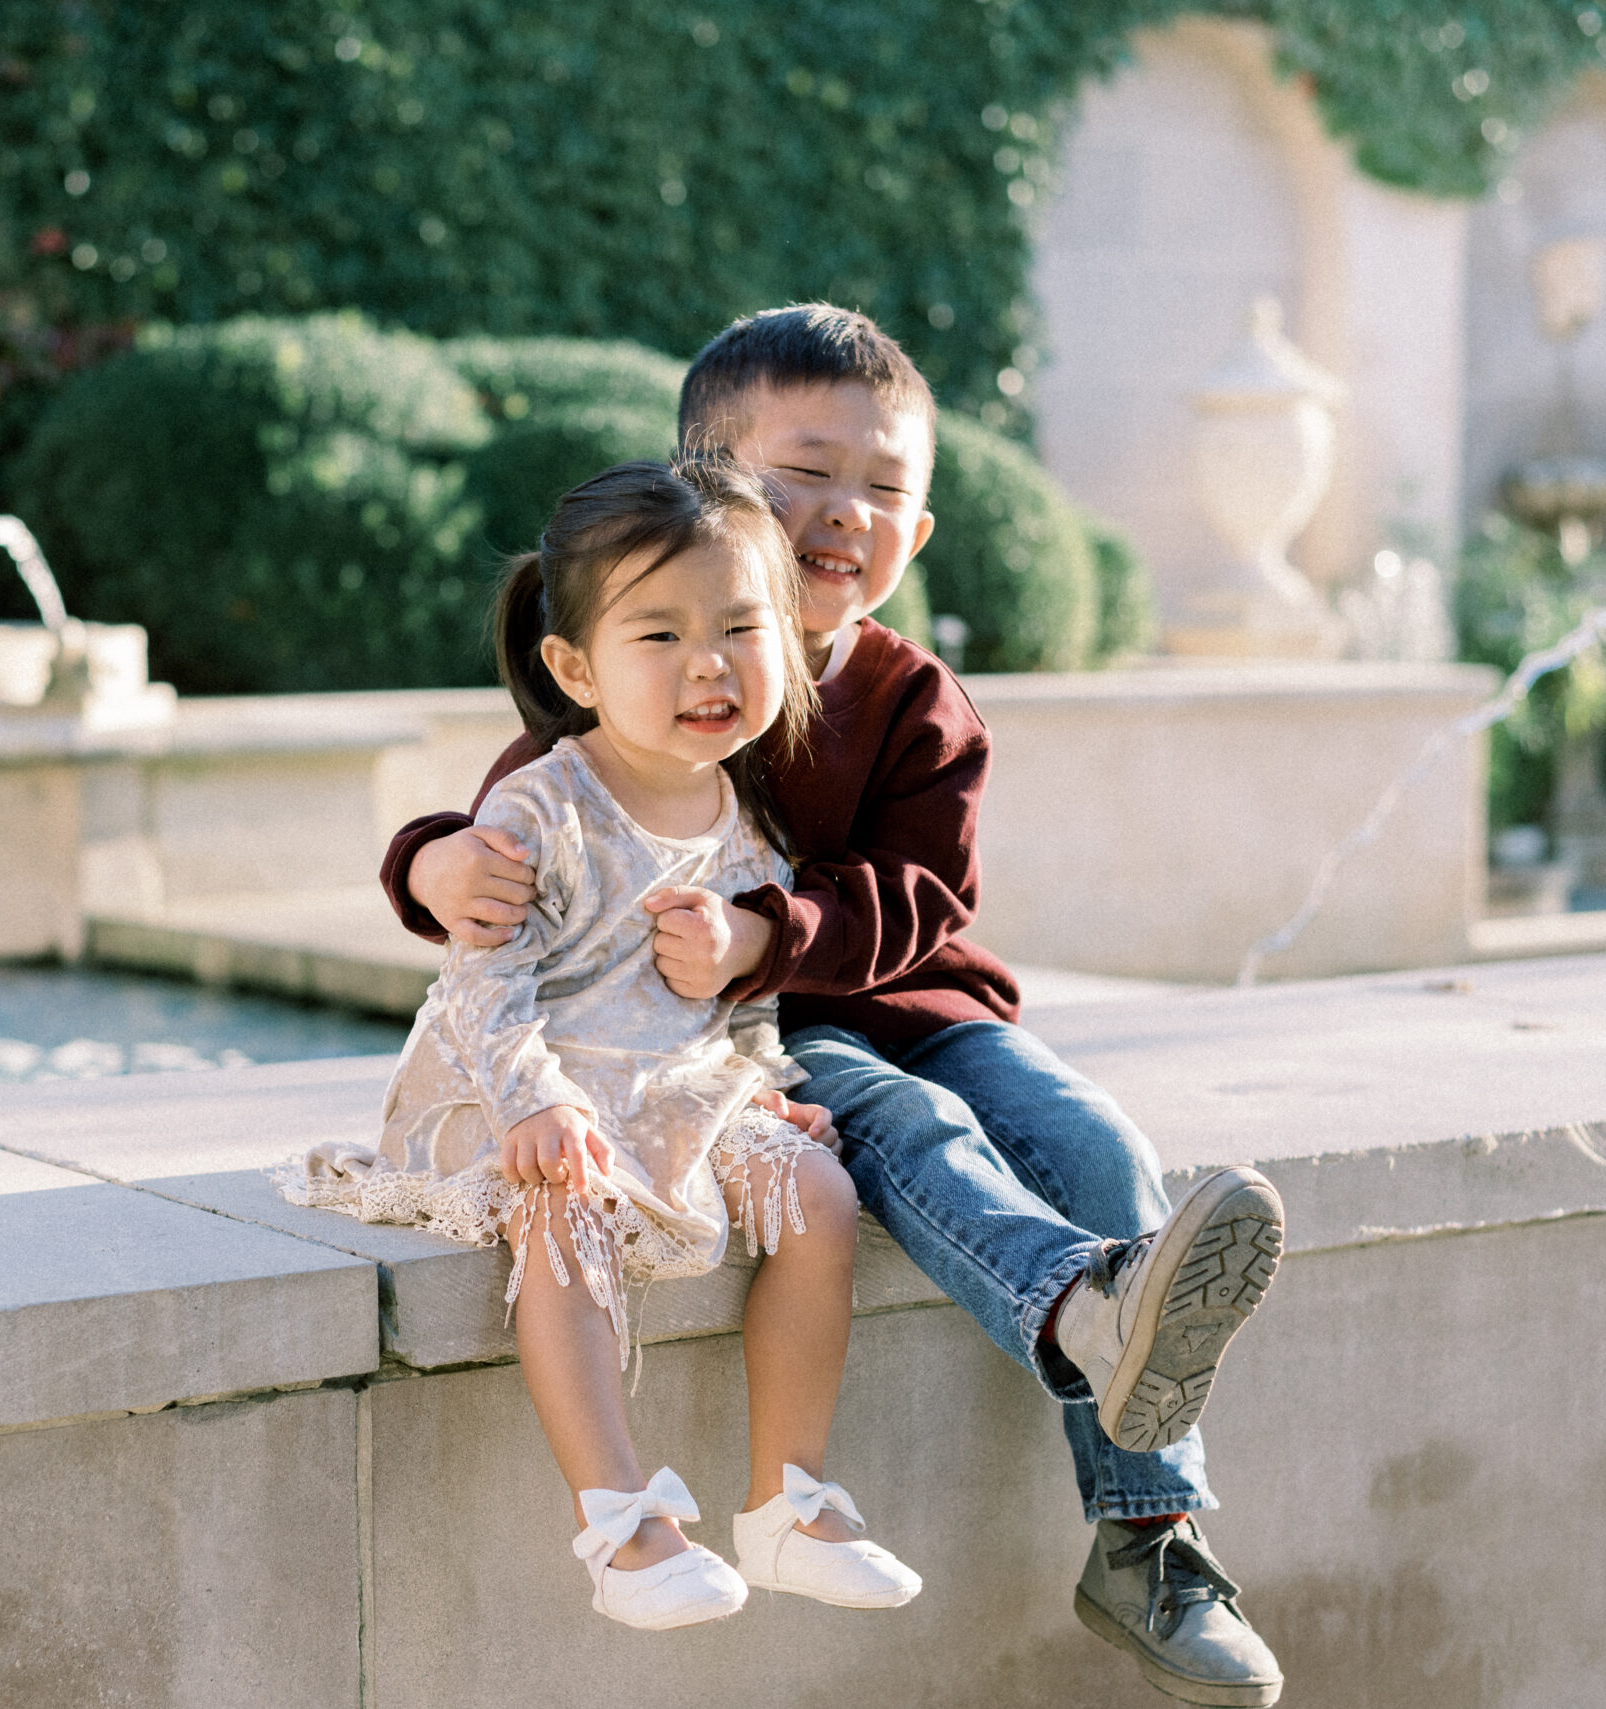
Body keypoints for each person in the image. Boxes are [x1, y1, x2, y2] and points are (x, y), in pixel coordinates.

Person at [383, 307, 1287, 1706]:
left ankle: (1149, 1538)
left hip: (915, 995)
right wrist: (426, 856)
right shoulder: (654, 656)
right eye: (806, 472)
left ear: (916, 537)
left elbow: (931, 893)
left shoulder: (912, 694)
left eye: (885, 489)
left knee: (1096, 1146)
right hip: (766, 1039)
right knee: (903, 1127)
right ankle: (1071, 1316)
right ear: (710, 483)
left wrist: (771, 927)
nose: (845, 512)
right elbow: (529, 813)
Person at [285, 456, 924, 1632]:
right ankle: (621, 1517)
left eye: (741, 625)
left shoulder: (746, 812)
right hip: (520, 1084)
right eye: (659, 634)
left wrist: (762, 1084)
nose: (708, 662)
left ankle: (786, 1495)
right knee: (560, 1198)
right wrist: (533, 1100)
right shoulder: (540, 804)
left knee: (817, 1190)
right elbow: (483, 982)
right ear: (575, 666)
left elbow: (740, 1000)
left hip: (674, 1086)